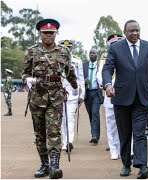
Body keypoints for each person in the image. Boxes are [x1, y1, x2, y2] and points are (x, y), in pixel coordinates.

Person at [102, 20, 148, 179]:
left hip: (143, 98)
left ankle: (142, 165)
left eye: (137, 30)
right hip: (121, 98)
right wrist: (107, 85)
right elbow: (107, 68)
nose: (134, 33)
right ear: (125, 31)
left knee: (140, 133)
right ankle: (126, 164)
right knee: (125, 133)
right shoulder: (115, 48)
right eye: (131, 31)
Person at [21, 18, 78, 179]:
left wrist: (75, 87)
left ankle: (55, 166)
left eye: (51, 33)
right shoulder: (31, 52)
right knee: (40, 134)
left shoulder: (64, 52)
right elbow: (24, 72)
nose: (48, 36)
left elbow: (69, 71)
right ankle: (44, 165)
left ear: (55, 34)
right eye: (45, 33)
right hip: (37, 98)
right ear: (40, 34)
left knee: (54, 132)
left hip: (56, 97)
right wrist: (28, 80)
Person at [59, 40, 85, 152]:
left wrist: (82, 94)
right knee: (62, 119)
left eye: (69, 47)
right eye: (65, 48)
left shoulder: (77, 61)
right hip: (59, 93)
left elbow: (80, 78)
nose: (67, 49)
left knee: (70, 117)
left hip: (73, 93)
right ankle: (64, 141)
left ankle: (69, 141)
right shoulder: (57, 60)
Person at [83, 48, 104, 144]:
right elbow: (79, 78)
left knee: (95, 112)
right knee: (91, 114)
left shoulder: (100, 65)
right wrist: (84, 81)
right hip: (87, 93)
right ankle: (95, 133)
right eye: (90, 53)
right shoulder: (84, 65)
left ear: (97, 55)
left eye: (94, 53)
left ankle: (94, 136)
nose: (92, 54)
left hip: (97, 92)